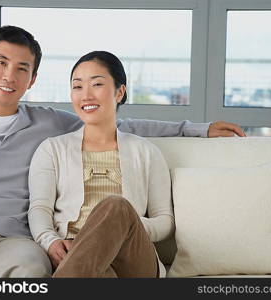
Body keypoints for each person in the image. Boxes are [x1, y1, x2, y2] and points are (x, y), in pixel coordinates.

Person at [0, 25, 244, 278]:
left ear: (32, 79)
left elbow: (116, 122)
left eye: (22, 68)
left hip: (15, 240)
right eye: (1, 63)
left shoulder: (47, 124)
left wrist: (193, 129)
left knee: (31, 271)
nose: (9, 76)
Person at [28, 51, 174, 277]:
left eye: (96, 84)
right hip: (76, 254)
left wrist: (125, 225)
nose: (85, 95)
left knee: (117, 206)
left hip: (133, 258)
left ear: (120, 92)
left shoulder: (146, 151)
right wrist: (51, 242)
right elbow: (39, 208)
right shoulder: (52, 149)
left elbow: (165, 221)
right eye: (77, 87)